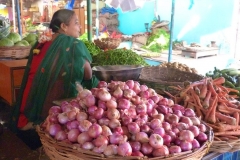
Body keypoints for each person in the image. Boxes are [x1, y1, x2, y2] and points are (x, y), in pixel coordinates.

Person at [10, 9, 99, 149]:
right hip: (46, 111)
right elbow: (87, 74)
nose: (80, 27)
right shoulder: (72, 44)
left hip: (28, 105)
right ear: (64, 26)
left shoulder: (42, 40)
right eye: (76, 23)